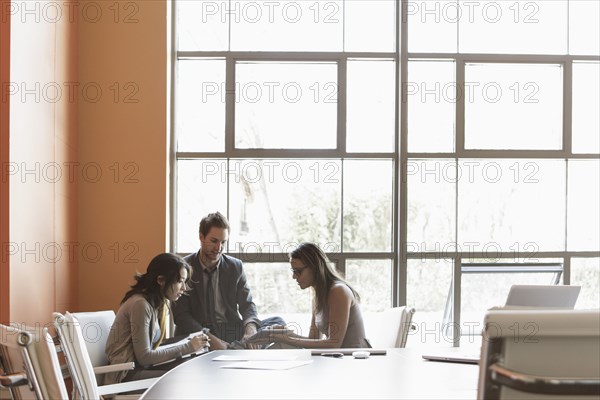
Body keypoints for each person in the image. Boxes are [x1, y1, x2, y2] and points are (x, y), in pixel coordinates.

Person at [173, 211, 284, 348]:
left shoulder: (235, 266)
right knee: (186, 337)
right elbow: (182, 316)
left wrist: (250, 330)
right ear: (201, 237)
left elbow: (247, 304)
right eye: (214, 241)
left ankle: (235, 347)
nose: (219, 248)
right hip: (198, 331)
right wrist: (210, 339)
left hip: (229, 329)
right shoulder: (184, 268)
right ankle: (237, 349)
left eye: (223, 242)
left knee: (278, 323)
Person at [104, 253, 210, 384]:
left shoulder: (155, 304)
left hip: (138, 368)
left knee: (189, 367)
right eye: (179, 281)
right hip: (124, 375)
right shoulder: (140, 304)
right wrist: (188, 347)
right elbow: (145, 357)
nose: (184, 288)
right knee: (182, 377)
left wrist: (189, 345)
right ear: (160, 280)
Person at [246, 242, 370, 348]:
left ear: (315, 268)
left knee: (284, 344)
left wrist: (286, 338)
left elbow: (333, 344)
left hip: (354, 360)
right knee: (280, 341)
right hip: (336, 358)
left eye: (298, 271)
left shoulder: (338, 291)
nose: (294, 276)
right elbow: (313, 339)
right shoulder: (318, 296)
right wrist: (286, 334)